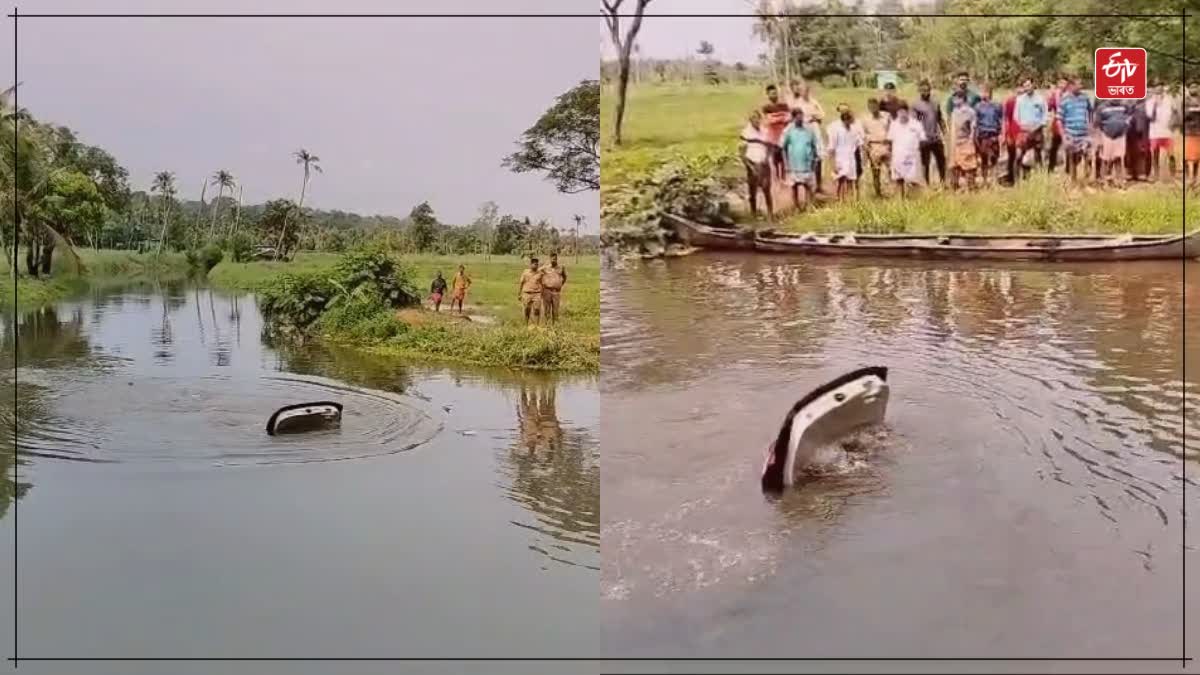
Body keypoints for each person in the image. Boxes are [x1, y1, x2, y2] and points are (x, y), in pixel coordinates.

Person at [789, 82, 827, 192]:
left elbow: (822, 114)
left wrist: (815, 117)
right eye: (802, 90)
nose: (805, 92)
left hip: (814, 129)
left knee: (818, 156)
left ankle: (819, 184)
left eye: (806, 90)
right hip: (803, 130)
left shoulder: (813, 102)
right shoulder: (797, 104)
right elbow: (793, 118)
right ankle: (806, 185)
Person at [739, 109, 775, 221]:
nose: (756, 121)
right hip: (752, 163)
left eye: (758, 118)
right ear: (750, 120)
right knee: (753, 190)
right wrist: (750, 166)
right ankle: (753, 214)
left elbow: (770, 147)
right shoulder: (746, 133)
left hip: (764, 163)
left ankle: (770, 214)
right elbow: (742, 153)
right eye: (754, 119)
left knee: (766, 189)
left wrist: (767, 158)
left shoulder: (765, 131)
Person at [781, 109, 819, 210]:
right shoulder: (789, 131)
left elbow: (814, 146)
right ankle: (796, 206)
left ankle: (808, 206)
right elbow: (783, 148)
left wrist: (815, 159)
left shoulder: (809, 130)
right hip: (794, 164)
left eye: (801, 117)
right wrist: (786, 164)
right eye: (798, 118)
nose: (800, 119)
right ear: (793, 118)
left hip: (807, 163)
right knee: (794, 187)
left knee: (808, 186)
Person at [1058, 78, 1093, 184]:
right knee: (1073, 159)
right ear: (1071, 86)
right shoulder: (1065, 99)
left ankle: (1086, 180)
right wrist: (1063, 135)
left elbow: (1090, 111)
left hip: (1084, 134)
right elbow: (1059, 119)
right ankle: (1073, 181)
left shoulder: (1085, 97)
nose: (1081, 86)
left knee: (1088, 156)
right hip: (1071, 133)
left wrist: (1090, 124)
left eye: (1081, 84)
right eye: (1078, 84)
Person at [912, 79, 947, 186]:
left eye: (927, 90)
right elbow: (916, 122)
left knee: (941, 160)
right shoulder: (917, 105)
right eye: (923, 90)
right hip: (924, 139)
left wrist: (945, 131)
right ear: (919, 90)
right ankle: (926, 184)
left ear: (930, 90)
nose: (925, 92)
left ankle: (943, 182)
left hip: (936, 137)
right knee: (925, 162)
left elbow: (940, 118)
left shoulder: (935, 103)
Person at [887, 102, 926, 198]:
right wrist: (890, 155)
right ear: (897, 112)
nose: (902, 114)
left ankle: (913, 199)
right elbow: (890, 141)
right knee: (899, 180)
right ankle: (901, 200)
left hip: (912, 158)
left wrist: (917, 152)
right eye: (900, 111)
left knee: (913, 181)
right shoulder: (894, 125)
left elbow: (922, 140)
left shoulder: (916, 124)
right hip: (898, 157)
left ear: (907, 111)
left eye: (904, 111)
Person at [1014, 77, 1047, 180]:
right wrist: (1022, 126)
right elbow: (1016, 116)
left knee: (1038, 155)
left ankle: (1041, 177)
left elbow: (1045, 115)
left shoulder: (1040, 99)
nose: (1027, 88)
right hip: (1024, 131)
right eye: (1025, 86)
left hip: (1037, 130)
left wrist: (1038, 126)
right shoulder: (1020, 100)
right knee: (1019, 154)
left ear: (1033, 85)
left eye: (1028, 85)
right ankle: (1018, 178)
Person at [827, 107, 862, 201]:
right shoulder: (837, 130)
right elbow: (831, 148)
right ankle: (839, 199)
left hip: (851, 158)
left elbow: (859, 144)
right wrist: (833, 164)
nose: (852, 120)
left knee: (851, 181)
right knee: (841, 180)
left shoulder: (854, 130)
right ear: (845, 119)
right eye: (851, 118)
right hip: (840, 158)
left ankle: (850, 201)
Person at [1095, 98, 1131, 185]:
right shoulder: (1101, 108)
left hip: (1120, 136)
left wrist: (1125, 127)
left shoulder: (1124, 106)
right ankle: (1104, 180)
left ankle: (1119, 180)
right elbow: (1097, 123)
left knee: (1118, 158)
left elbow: (1129, 117)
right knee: (1105, 159)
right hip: (1107, 136)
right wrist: (1100, 138)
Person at [861, 97, 892, 197]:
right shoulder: (865, 119)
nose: (873, 108)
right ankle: (878, 193)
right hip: (874, 146)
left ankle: (894, 192)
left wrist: (891, 144)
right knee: (875, 172)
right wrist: (867, 148)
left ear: (878, 106)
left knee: (892, 170)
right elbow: (863, 134)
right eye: (871, 107)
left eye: (875, 106)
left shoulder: (887, 116)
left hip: (886, 146)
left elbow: (892, 129)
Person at [1147, 82, 1178, 180]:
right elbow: (1150, 117)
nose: (1159, 91)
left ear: (1163, 89)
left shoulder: (1169, 99)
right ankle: (1156, 174)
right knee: (1155, 154)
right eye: (1157, 89)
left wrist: (1173, 123)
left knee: (1171, 154)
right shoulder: (1150, 101)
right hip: (1155, 131)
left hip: (1167, 131)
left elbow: (1175, 112)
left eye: (1161, 89)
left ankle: (1173, 174)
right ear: (1154, 90)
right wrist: (1155, 105)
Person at [973, 85, 1003, 184]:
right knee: (984, 159)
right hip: (983, 136)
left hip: (993, 135)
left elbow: (1001, 120)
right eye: (982, 92)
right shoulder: (978, 107)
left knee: (994, 158)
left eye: (986, 92)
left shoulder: (997, 106)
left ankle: (994, 179)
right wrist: (975, 137)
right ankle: (985, 180)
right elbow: (975, 123)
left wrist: (1001, 134)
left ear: (990, 93)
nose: (984, 94)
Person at [762, 84, 792, 181]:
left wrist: (776, 118)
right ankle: (776, 178)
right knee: (775, 159)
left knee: (783, 158)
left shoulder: (784, 106)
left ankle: (783, 178)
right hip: (772, 137)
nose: (774, 95)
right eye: (772, 94)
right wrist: (781, 118)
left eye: (775, 93)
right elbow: (768, 120)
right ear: (768, 95)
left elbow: (789, 118)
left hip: (783, 135)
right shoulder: (766, 107)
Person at [949, 93, 979, 190]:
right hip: (955, 142)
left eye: (956, 98)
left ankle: (971, 187)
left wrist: (971, 140)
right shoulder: (954, 112)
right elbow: (952, 128)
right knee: (954, 165)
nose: (954, 100)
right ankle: (954, 187)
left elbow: (973, 128)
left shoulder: (970, 112)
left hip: (966, 141)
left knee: (969, 165)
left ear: (962, 99)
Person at [1045, 75, 1068, 172]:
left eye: (1065, 83)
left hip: (1067, 123)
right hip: (1057, 122)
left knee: (1068, 146)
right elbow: (1049, 108)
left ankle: (1068, 168)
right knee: (1054, 146)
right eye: (1061, 83)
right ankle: (1051, 168)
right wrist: (1049, 97)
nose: (1063, 85)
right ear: (1058, 84)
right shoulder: (1055, 94)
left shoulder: (1069, 95)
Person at [539, 253, 567, 324]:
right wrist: (542, 284)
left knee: (555, 310)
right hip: (547, 291)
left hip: (556, 292)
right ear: (550, 259)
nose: (553, 260)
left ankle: (555, 326)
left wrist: (560, 285)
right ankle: (547, 325)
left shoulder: (561, 267)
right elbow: (537, 273)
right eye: (552, 259)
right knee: (547, 309)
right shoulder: (545, 267)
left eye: (555, 259)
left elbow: (565, 277)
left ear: (557, 259)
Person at [518, 257, 543, 325]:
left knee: (537, 310)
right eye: (535, 264)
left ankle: (536, 325)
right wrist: (519, 294)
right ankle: (526, 324)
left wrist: (542, 293)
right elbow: (521, 283)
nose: (536, 266)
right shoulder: (525, 272)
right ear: (531, 264)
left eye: (537, 264)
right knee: (526, 309)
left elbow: (542, 283)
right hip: (527, 293)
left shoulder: (540, 273)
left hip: (536, 294)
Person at [1184, 84, 1200, 186]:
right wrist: (1192, 110)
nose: (1194, 89)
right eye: (1192, 87)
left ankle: (1196, 178)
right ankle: (1190, 178)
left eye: (1196, 87)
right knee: (1190, 156)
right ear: (1189, 89)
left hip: (1199, 131)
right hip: (1189, 131)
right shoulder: (1185, 101)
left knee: (1198, 156)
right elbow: (1183, 115)